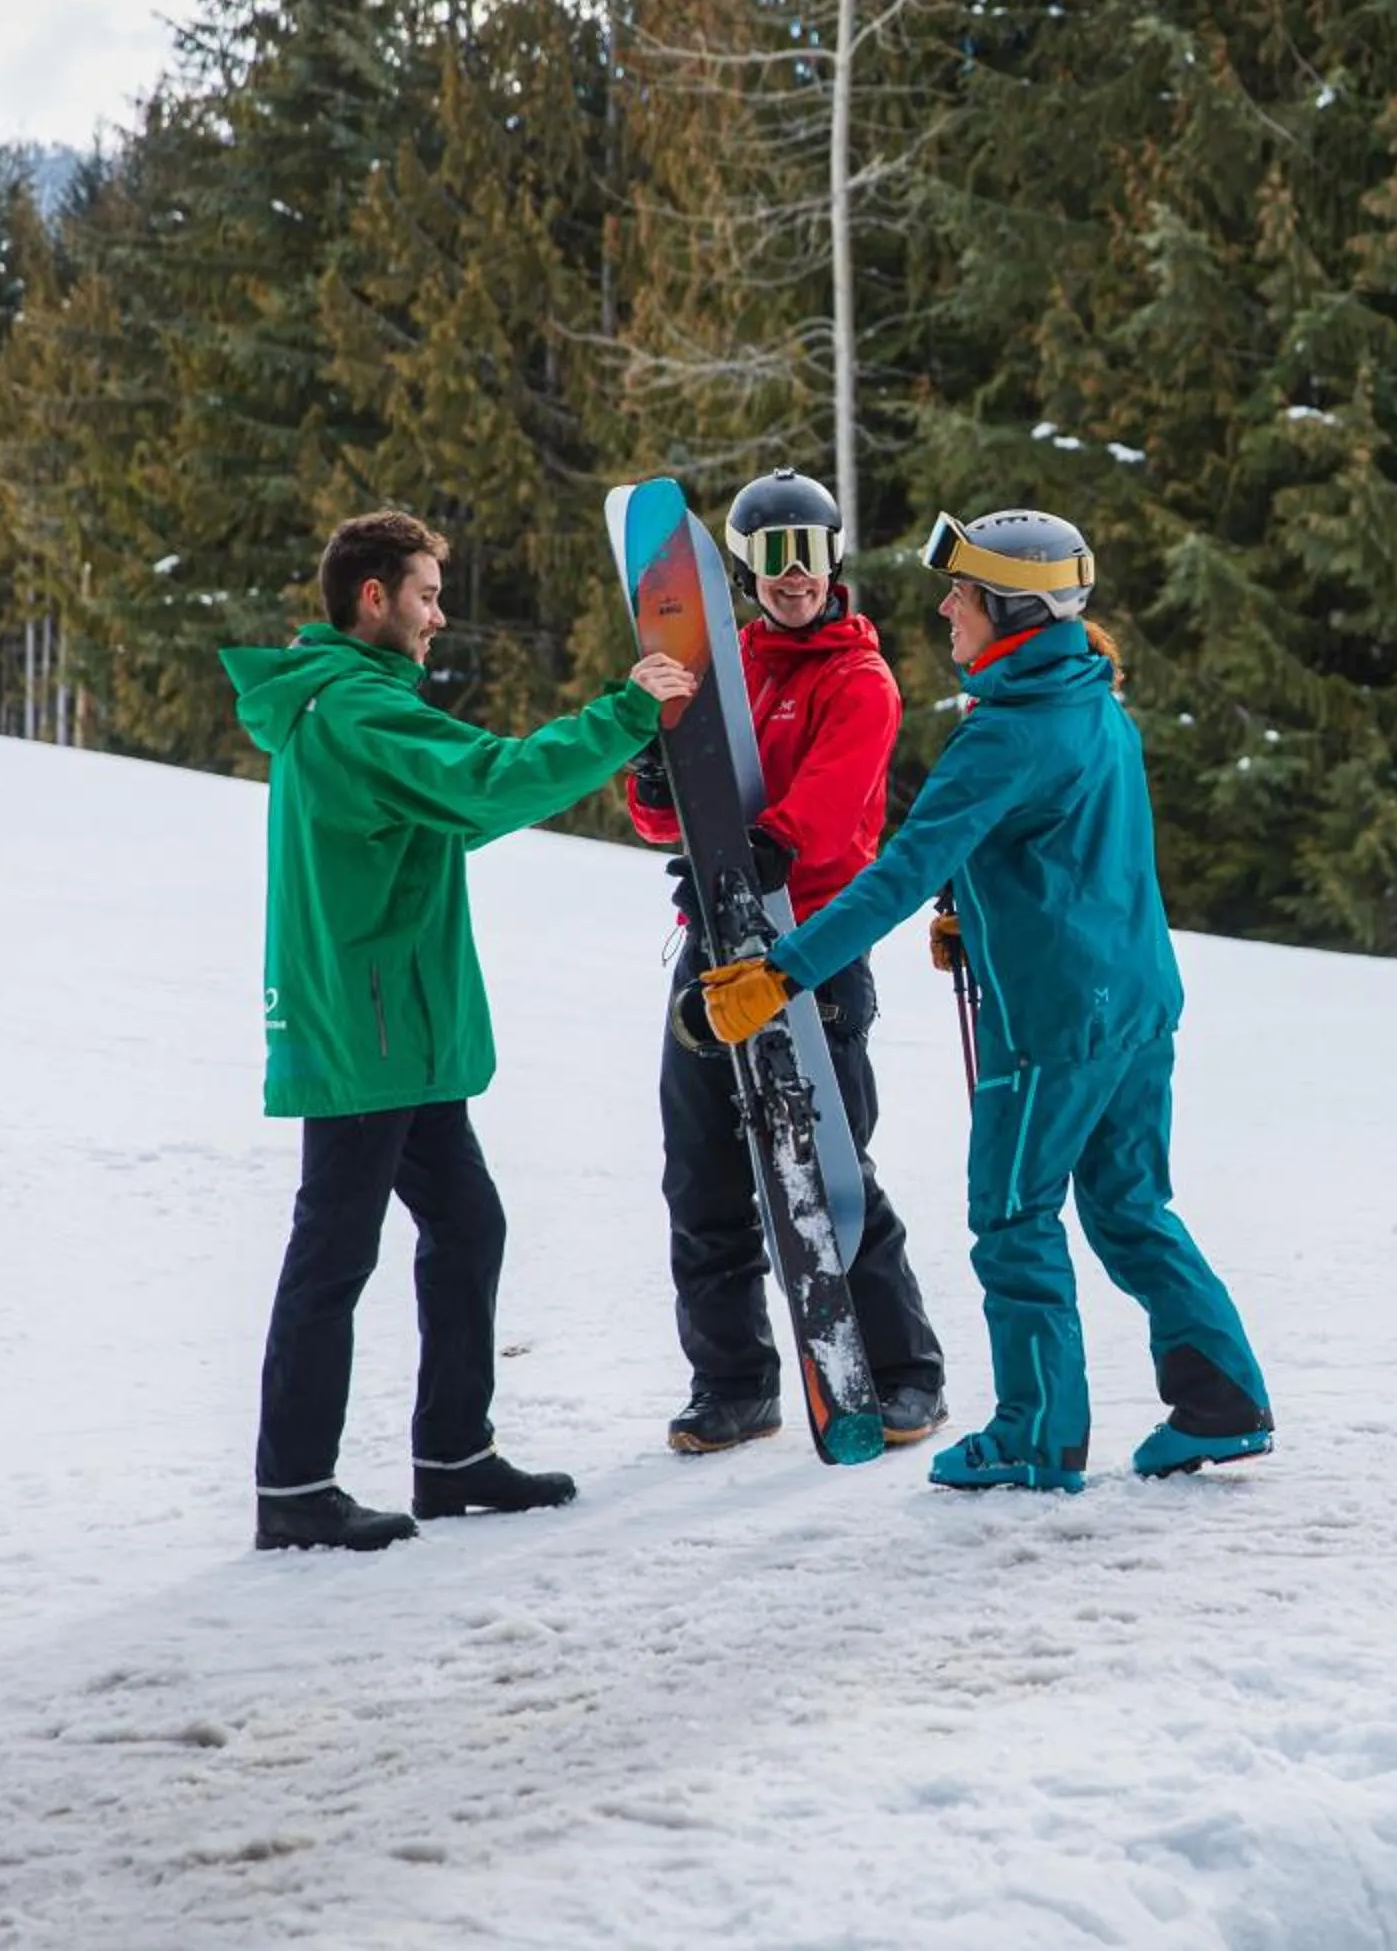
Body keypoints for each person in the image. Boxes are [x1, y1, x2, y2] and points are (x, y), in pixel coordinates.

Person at [691, 506, 1272, 1493]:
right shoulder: (1090, 695)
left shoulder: (1004, 732)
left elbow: (894, 872)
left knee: (1012, 1214)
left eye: (961, 593)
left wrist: (781, 972)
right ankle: (1223, 1397)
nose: (944, 608)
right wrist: (987, 908)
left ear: (1010, 608)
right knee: (1130, 1205)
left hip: (1052, 1020)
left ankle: (1037, 1431)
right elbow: (1075, 843)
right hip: (1132, 996)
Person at [224, 510, 696, 1552]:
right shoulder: (357, 713)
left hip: (398, 1028)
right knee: (333, 1253)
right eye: (428, 594)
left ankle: (452, 1455)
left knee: (467, 1223)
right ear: (372, 598)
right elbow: (488, 782)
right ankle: (295, 1486)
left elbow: (463, 804)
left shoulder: (358, 702)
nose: (441, 615)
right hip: (368, 1030)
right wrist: (628, 709)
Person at [622, 468, 948, 1455]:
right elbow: (664, 814)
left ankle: (904, 1374)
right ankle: (733, 1383)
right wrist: (655, 781)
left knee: (827, 1163)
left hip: (812, 955)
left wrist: (763, 845)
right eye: (772, 557)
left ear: (835, 558)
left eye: (809, 552)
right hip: (717, 948)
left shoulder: (861, 680)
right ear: (745, 569)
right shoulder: (728, 670)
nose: (793, 576)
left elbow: (830, 811)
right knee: (703, 1170)